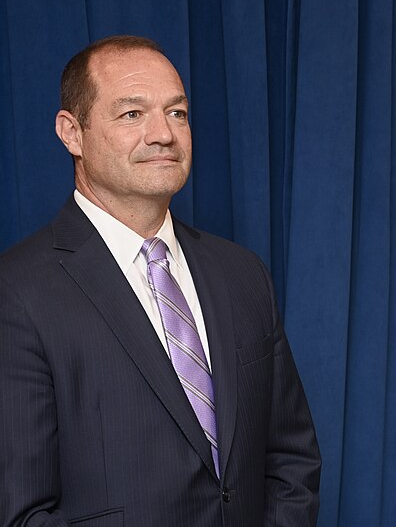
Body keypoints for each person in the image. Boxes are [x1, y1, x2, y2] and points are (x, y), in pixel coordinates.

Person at [0, 36, 321, 526]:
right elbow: (23, 513)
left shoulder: (241, 272)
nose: (164, 135)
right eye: (132, 114)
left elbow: (291, 461)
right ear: (72, 133)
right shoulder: (17, 292)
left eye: (177, 113)